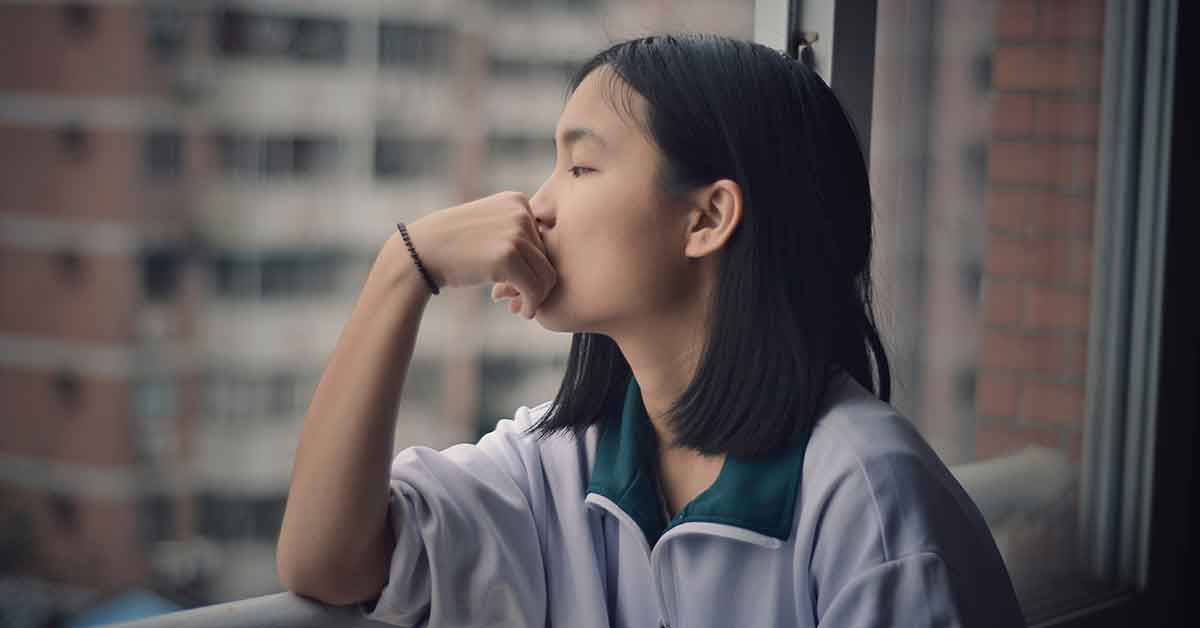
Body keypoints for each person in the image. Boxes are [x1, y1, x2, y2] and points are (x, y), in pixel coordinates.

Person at [276, 33, 1026, 627]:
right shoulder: (561, 467)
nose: (536, 207)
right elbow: (328, 562)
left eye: (580, 168)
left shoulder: (871, 499)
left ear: (707, 218)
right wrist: (402, 269)